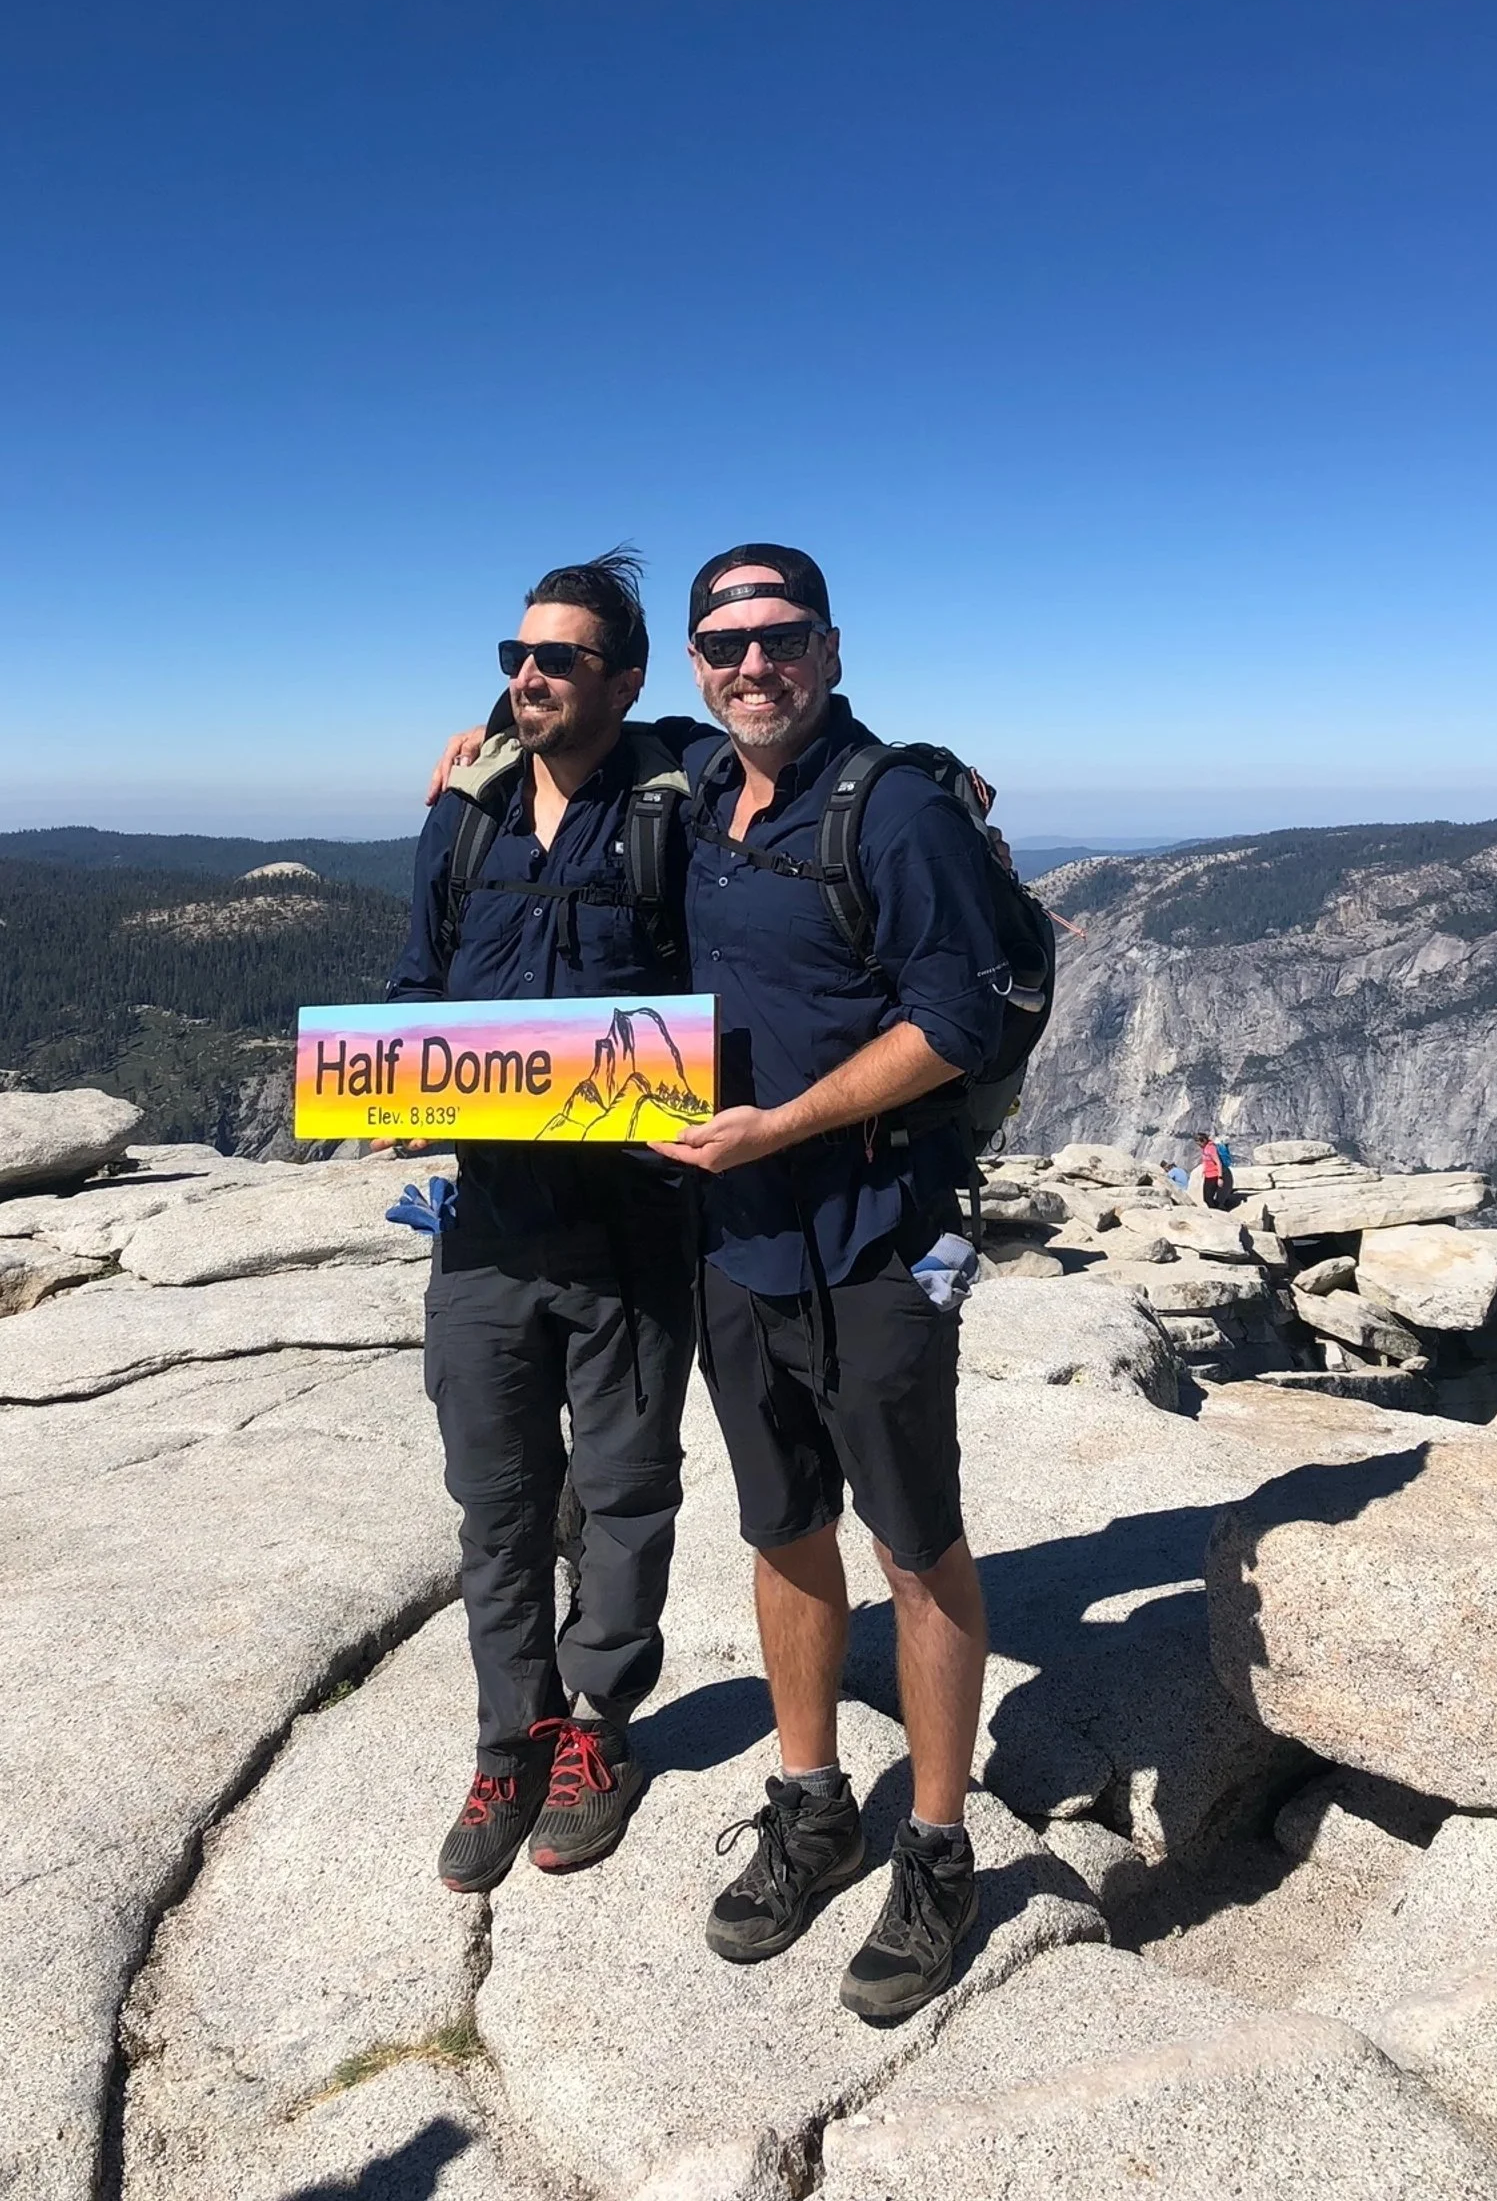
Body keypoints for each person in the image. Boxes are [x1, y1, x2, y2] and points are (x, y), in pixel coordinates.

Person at [661, 545, 1010, 2027]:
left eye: (782, 638)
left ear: (831, 645)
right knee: (782, 1522)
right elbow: (583, 730)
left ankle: (937, 1847)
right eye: (727, 644)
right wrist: (481, 746)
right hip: (738, 1250)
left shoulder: (898, 805)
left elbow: (963, 1022)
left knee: (914, 1542)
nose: (756, 665)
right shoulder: (698, 790)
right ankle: (816, 1805)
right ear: (695, 665)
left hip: (874, 1241)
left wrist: (780, 1127)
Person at [389, 552, 697, 1894]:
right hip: (487, 1227)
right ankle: (509, 1744)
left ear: (623, 681)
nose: (526, 677)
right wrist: (392, 1081)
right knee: (497, 1506)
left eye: (559, 659)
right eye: (516, 657)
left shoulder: (679, 810)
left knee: (626, 1499)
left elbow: (777, 740)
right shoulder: (465, 818)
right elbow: (415, 984)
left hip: (635, 1227)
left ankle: (600, 1732)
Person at [1197, 1132, 1226, 1209]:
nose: (1198, 1145)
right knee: (1206, 1198)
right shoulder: (1205, 1148)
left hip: (1214, 1175)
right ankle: (1218, 1207)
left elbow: (1218, 1162)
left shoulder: (1211, 1148)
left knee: (1208, 1198)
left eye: (1199, 1142)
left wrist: (1220, 1177)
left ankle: (1218, 1210)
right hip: (1208, 1175)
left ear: (1203, 1140)